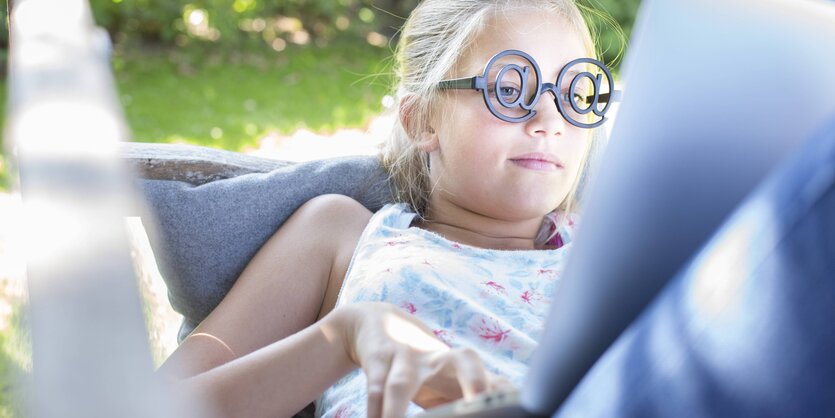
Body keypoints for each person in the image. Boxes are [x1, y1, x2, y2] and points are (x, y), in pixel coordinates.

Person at [158, 0, 617, 417]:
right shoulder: (343, 236)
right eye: (510, 89)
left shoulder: (614, 248)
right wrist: (346, 336)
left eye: (576, 93)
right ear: (422, 119)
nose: (550, 120)